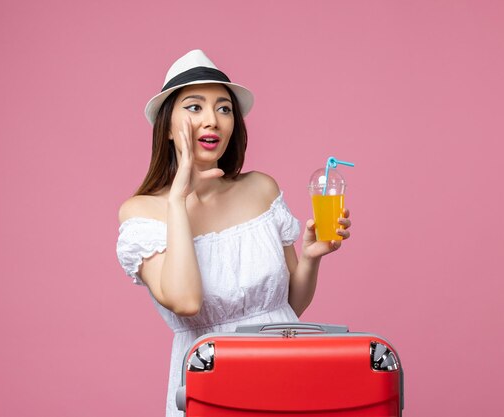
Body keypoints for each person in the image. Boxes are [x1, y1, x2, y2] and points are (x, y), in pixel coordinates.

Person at [115, 50, 351, 417]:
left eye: (224, 109)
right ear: (166, 127)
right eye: (195, 107)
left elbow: (289, 306)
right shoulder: (143, 212)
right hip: (213, 386)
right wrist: (178, 199)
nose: (212, 120)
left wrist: (311, 257)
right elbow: (185, 301)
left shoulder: (261, 188)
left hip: (290, 375)